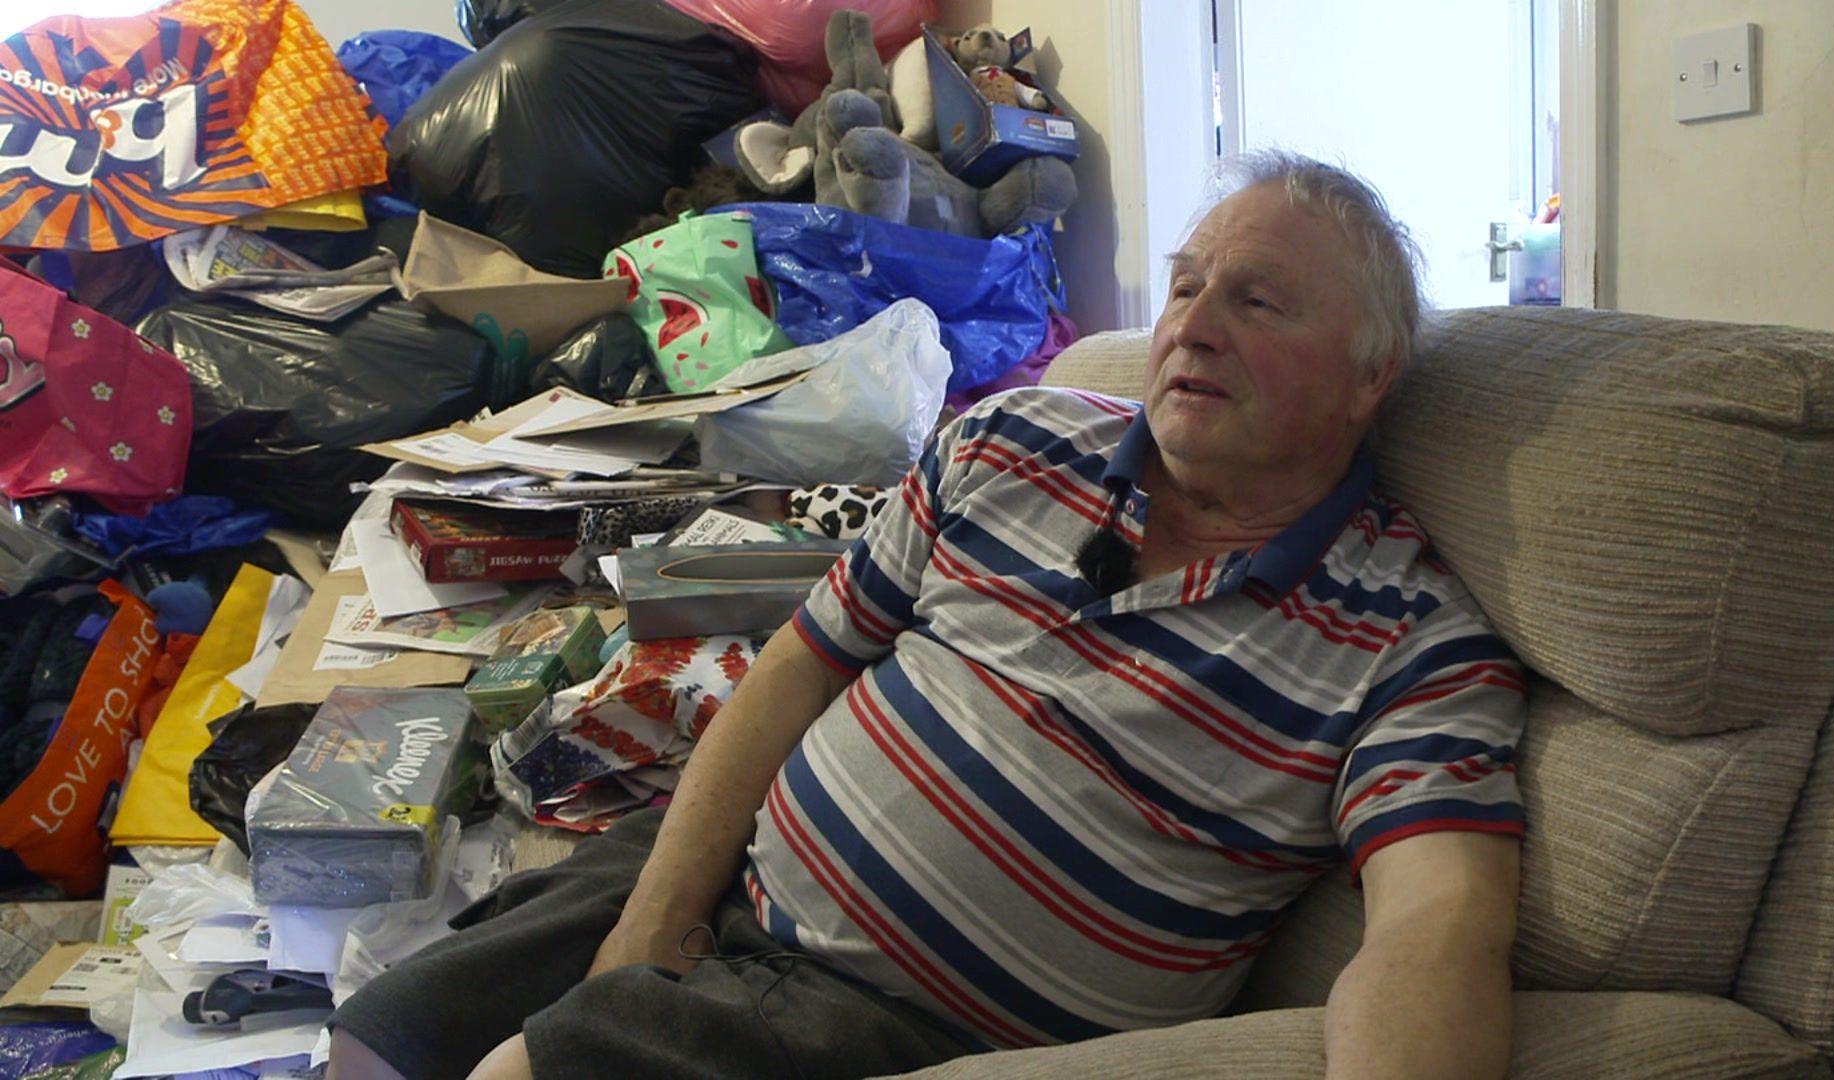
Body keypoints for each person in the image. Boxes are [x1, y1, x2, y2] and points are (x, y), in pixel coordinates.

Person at [328, 150, 1528, 1080]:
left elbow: (1438, 931)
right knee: (380, 1038)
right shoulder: (1009, 440)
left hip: (886, 1024)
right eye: (1185, 284)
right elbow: (801, 665)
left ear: (1374, 372)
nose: (1193, 324)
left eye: (1258, 301)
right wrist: (654, 915)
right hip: (723, 862)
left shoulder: (1413, 643)